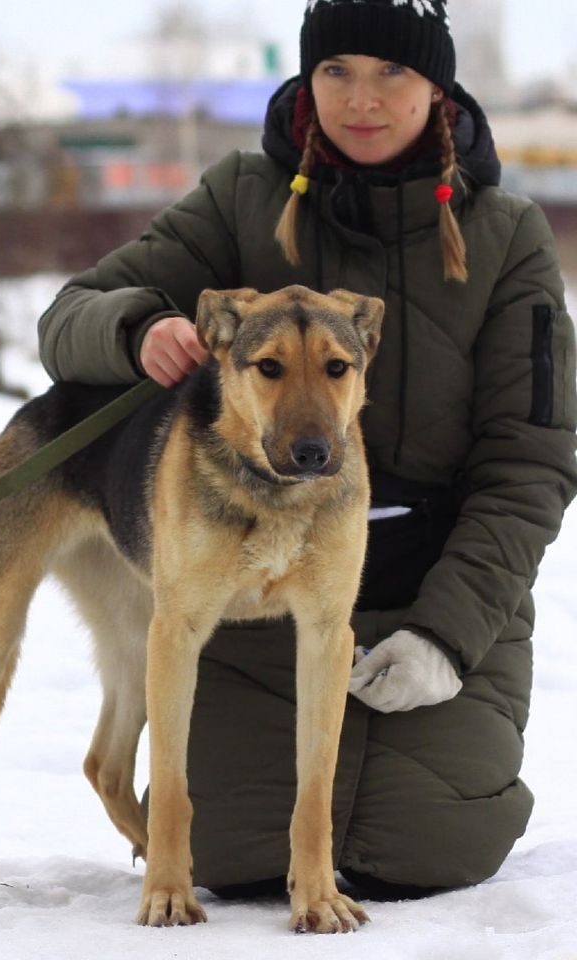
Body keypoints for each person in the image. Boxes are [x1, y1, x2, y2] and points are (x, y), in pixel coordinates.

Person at [39, 0, 577, 901]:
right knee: (236, 858)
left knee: (432, 843)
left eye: (391, 73)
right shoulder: (240, 194)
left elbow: (533, 461)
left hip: (432, 594)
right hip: (257, 593)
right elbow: (68, 319)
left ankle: (436, 684)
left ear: (436, 85)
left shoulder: (507, 233)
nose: (361, 99)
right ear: (307, 77)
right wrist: (134, 329)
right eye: (337, 71)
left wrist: (450, 632)